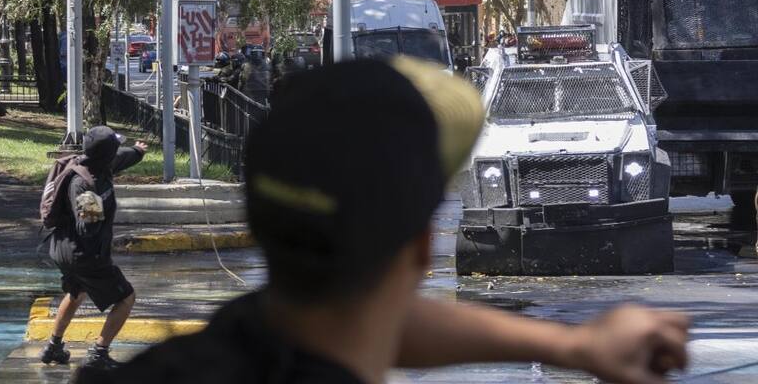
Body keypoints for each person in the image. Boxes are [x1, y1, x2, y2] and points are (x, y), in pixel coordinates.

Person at [76, 58, 689, 384]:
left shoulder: (221, 353)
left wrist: (576, 345)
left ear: (261, 226)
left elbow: (367, 322)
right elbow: (372, 321)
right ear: (423, 245)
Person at [40, 126, 147, 370]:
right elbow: (87, 228)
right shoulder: (83, 182)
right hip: (81, 252)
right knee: (126, 297)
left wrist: (138, 151)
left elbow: (123, 157)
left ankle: (53, 346)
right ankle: (99, 352)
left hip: (67, 250)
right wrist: (94, 212)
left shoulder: (101, 164)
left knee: (77, 292)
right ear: (107, 154)